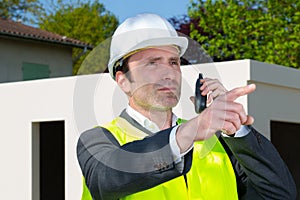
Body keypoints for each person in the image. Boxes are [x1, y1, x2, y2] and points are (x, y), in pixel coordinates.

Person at [77, 13, 296, 200]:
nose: (169, 73)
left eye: (173, 62)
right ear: (123, 80)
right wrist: (187, 133)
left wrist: (236, 130)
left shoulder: (216, 142)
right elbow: (105, 177)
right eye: (152, 62)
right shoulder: (97, 140)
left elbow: (280, 193)